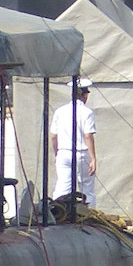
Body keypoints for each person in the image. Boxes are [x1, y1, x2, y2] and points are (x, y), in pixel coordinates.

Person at [50, 78, 96, 206]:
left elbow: (54, 136)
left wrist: (56, 152)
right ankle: (90, 215)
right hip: (81, 152)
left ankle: (57, 212)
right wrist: (93, 158)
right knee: (87, 188)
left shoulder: (60, 111)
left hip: (63, 152)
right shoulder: (87, 112)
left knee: (63, 186)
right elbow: (88, 135)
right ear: (85, 95)